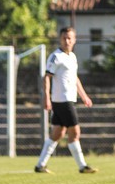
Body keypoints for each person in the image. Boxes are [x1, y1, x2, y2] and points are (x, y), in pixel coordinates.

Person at [34, 27, 98, 174]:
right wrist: (46, 98)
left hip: (69, 99)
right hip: (62, 101)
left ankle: (40, 165)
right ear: (60, 39)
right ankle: (82, 166)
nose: (67, 41)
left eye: (70, 38)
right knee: (75, 132)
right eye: (64, 38)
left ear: (74, 40)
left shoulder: (72, 57)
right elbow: (47, 77)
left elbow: (74, 79)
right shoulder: (56, 57)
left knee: (58, 133)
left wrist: (84, 96)